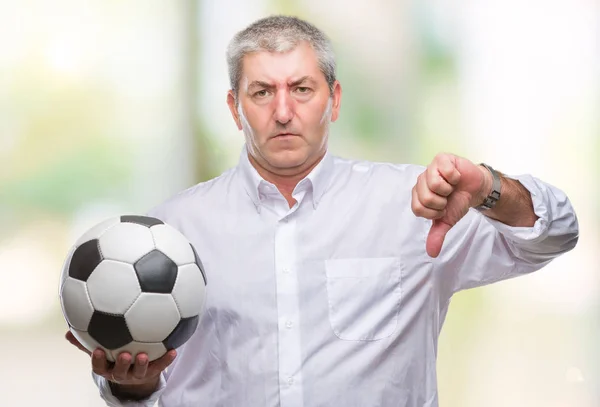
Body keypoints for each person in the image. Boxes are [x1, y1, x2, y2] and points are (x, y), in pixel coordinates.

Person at [65, 15, 579, 407]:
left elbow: (556, 234)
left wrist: (489, 187)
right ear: (233, 107)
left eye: (302, 89)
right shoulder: (172, 230)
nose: (283, 111)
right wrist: (135, 385)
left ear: (332, 100)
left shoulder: (418, 206)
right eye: (262, 92)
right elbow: (139, 385)